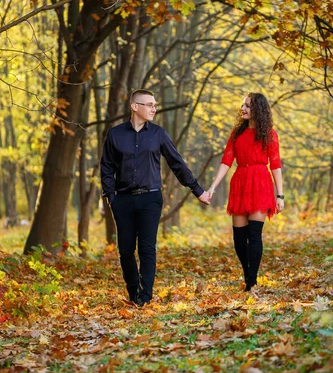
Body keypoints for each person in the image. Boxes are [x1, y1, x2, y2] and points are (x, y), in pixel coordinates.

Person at [100, 89, 210, 307]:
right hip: (122, 200)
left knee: (147, 248)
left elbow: (177, 163)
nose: (154, 108)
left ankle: (145, 296)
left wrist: (197, 190)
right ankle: (133, 292)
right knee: (125, 250)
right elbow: (106, 167)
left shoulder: (159, 134)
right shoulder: (115, 134)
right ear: (134, 107)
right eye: (149, 104)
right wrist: (111, 197)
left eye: (155, 104)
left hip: (150, 198)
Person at [207, 92, 284, 291]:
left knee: (254, 234)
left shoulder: (269, 134)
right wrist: (213, 187)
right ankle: (248, 273)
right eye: (243, 105)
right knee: (239, 238)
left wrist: (280, 195)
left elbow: (275, 165)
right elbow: (226, 161)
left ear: (258, 109)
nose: (243, 109)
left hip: (260, 182)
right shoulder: (237, 134)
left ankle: (252, 281)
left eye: (248, 106)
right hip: (240, 182)